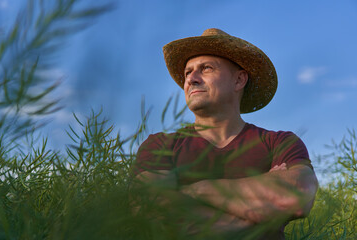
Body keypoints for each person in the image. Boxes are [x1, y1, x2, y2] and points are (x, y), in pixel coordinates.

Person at [133, 28, 318, 239]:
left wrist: (195, 191)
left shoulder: (279, 143)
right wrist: (263, 216)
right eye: (187, 72)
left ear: (239, 80)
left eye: (206, 68)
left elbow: (297, 196)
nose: (191, 79)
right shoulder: (160, 146)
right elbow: (153, 215)